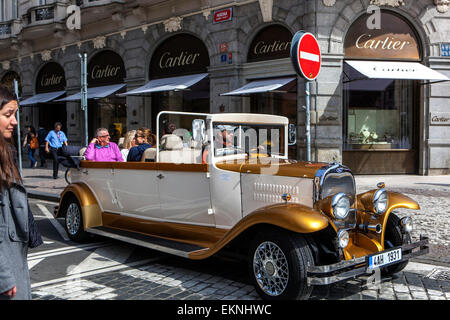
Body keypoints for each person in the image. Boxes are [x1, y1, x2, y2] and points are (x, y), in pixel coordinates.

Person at [0, 85, 43, 300]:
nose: (15, 121)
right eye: (8, 114)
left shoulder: (6, 151)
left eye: (15, 114)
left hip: (12, 254)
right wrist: (4, 277)